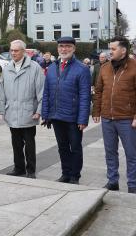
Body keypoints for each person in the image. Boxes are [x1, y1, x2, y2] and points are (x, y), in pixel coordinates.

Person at [41, 36, 91, 184]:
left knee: (75, 148)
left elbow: (84, 96)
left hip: (73, 117)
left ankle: (75, 176)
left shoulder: (82, 69)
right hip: (56, 116)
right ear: (57, 49)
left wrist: (83, 119)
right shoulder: (51, 68)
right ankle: (65, 173)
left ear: (74, 49)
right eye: (61, 46)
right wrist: (46, 114)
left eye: (68, 46)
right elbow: (47, 92)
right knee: (62, 147)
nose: (64, 49)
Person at [92, 36, 136, 194]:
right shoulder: (105, 68)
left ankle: (133, 185)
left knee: (132, 153)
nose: (109, 52)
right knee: (110, 151)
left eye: (113, 49)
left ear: (123, 50)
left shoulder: (134, 66)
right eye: (109, 49)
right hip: (107, 118)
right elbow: (98, 91)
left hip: (127, 119)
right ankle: (112, 181)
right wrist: (96, 111)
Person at [0, 40, 45, 178]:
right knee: (16, 143)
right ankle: (19, 168)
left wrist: (39, 111)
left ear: (24, 52)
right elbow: (2, 91)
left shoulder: (34, 67)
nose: (13, 53)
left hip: (28, 113)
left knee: (29, 144)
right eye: (11, 50)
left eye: (16, 50)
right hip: (12, 112)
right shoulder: (7, 68)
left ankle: (31, 171)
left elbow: (41, 91)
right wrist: (2, 109)